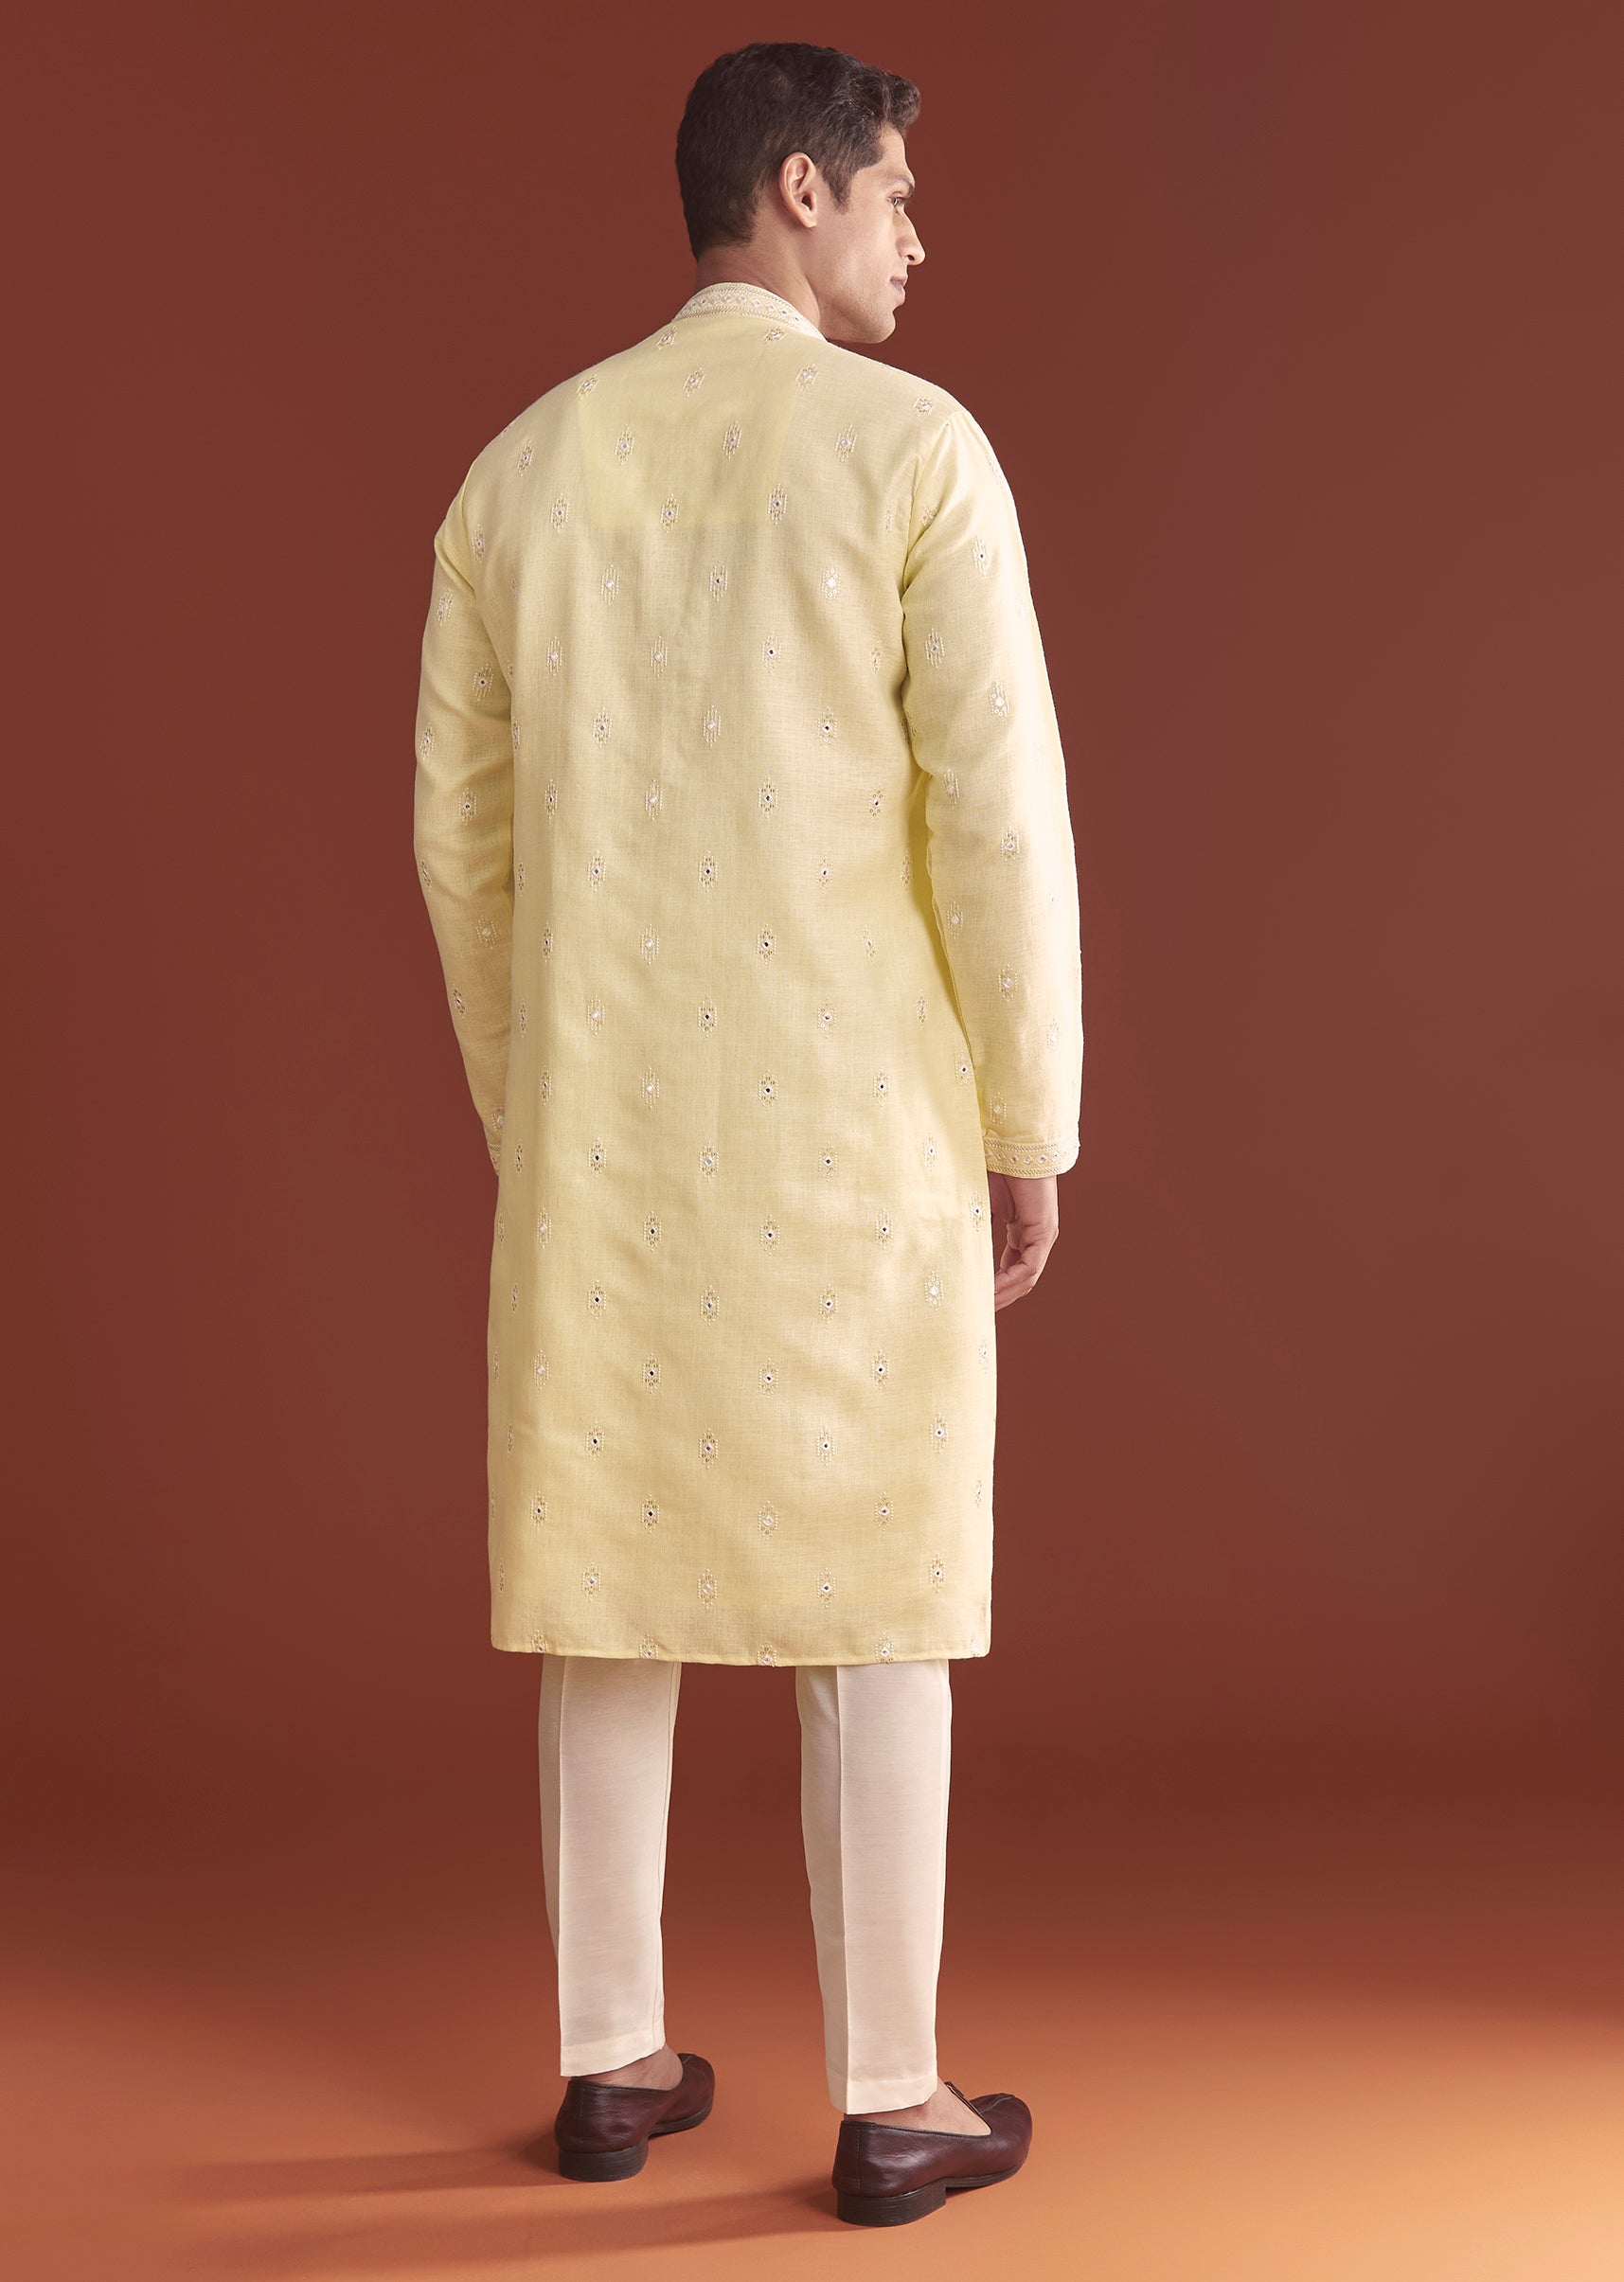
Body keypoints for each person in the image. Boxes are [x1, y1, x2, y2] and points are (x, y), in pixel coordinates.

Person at [411, 38, 1082, 2228]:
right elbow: (997, 819)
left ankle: (611, 2060)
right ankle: (891, 2094)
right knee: (878, 1583)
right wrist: (1029, 1113)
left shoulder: (521, 473)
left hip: (606, 1134)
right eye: (895, 192)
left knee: (607, 1574)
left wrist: (539, 1107)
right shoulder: (912, 452)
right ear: (799, 189)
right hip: (855, 1136)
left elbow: (462, 850)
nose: (916, 237)